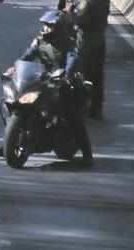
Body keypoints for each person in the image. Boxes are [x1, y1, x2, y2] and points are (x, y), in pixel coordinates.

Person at [13, 10, 94, 165]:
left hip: (65, 82)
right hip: (44, 80)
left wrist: (66, 74)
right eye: (44, 25)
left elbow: (72, 59)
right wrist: (15, 68)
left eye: (49, 26)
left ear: (59, 29)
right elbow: (27, 56)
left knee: (73, 116)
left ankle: (88, 154)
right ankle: (8, 144)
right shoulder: (40, 42)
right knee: (20, 103)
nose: (45, 29)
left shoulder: (68, 44)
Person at [74, 0, 109, 117]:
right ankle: (97, 105)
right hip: (100, 38)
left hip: (87, 40)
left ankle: (81, 104)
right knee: (97, 73)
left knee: (83, 73)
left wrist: (72, 12)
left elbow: (80, 19)